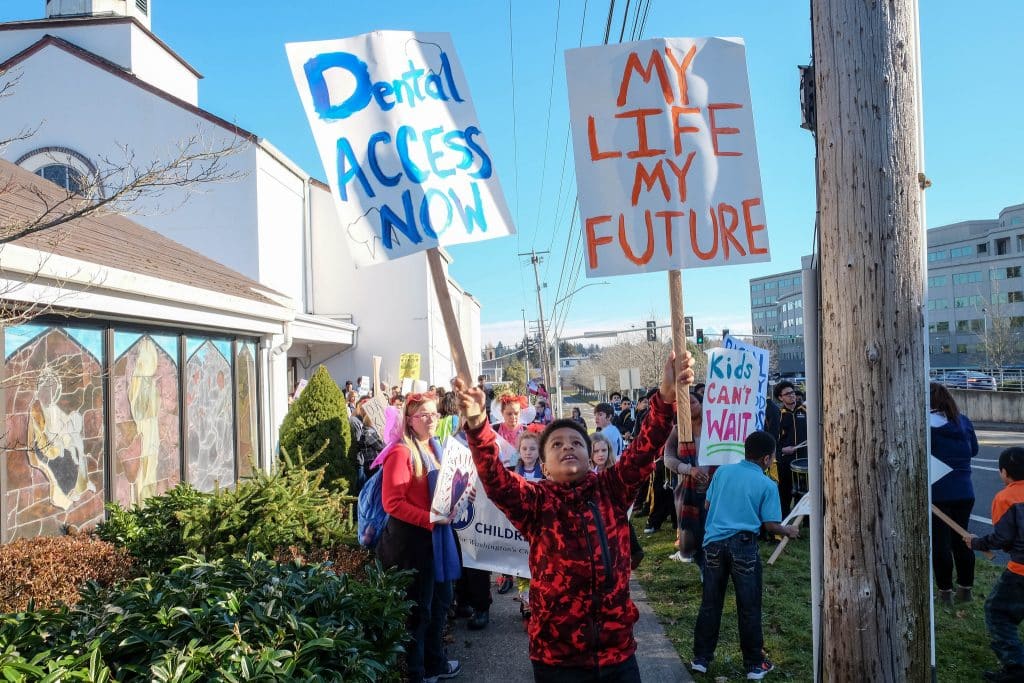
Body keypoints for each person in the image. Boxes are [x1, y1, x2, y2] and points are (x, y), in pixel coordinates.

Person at [455, 351, 694, 683]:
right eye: (555, 444)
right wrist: (477, 425)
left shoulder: (613, 488)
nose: (567, 447)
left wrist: (666, 398)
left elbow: (645, 446)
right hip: (558, 659)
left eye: (575, 443)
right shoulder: (536, 502)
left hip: (618, 654)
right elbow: (495, 480)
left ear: (588, 453)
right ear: (545, 466)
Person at [691, 431, 799, 680]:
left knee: (710, 602)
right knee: (748, 606)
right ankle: (753, 664)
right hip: (744, 547)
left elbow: (707, 505)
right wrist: (789, 530)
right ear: (766, 459)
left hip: (714, 545)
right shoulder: (767, 484)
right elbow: (771, 525)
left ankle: (701, 659)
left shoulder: (722, 472)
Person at [375, 391, 462, 683]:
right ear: (410, 420)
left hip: (437, 539)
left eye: (434, 414)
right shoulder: (401, 452)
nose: (431, 419)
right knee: (419, 611)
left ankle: (434, 662)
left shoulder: (436, 447)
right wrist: (430, 518)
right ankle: (417, 672)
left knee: (441, 602)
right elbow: (393, 503)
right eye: (423, 414)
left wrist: (463, 494)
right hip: (410, 544)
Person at [964, 447, 1024, 682]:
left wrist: (975, 542)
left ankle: (1016, 669)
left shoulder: (1006, 497)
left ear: (1004, 472)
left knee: (997, 612)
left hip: (1020, 572)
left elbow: (1002, 538)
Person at [930, 382, 979, 604]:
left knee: (941, 544)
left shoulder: (927, 424)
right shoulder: (964, 422)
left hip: (939, 492)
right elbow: (975, 450)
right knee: (963, 540)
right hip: (965, 490)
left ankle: (945, 592)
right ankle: (965, 589)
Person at [664, 391, 711, 564]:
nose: (689, 408)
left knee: (711, 530)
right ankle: (697, 561)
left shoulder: (716, 428)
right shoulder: (678, 431)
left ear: (701, 403)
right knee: (691, 530)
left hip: (715, 487)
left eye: (693, 402)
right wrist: (689, 469)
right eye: (684, 405)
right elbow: (668, 458)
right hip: (688, 490)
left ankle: (709, 567)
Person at [773, 381, 807, 517]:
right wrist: (782, 450)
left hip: (804, 458)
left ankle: (806, 521)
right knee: (785, 492)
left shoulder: (805, 410)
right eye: (787, 394)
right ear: (781, 397)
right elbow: (774, 439)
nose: (792, 396)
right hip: (786, 461)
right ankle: (785, 519)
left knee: (804, 491)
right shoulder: (778, 415)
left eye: (792, 392)